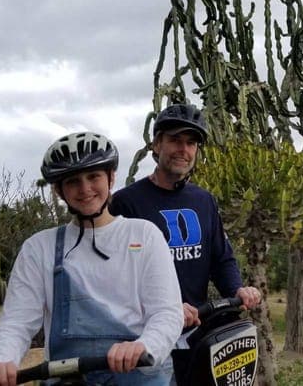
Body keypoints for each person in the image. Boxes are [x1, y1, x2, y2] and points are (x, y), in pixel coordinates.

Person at [0, 132, 182, 386]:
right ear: (59, 190)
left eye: (94, 176)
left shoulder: (144, 234)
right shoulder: (39, 248)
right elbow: (16, 322)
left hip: (139, 376)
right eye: (73, 181)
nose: (85, 189)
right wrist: (0, 361)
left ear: (110, 178)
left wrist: (144, 345)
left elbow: (167, 312)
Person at [111, 103, 262, 385]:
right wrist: (166, 307)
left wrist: (237, 288)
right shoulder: (126, 202)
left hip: (197, 333)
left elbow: (221, 257)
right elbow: (118, 277)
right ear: (157, 144)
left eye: (191, 142)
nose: (184, 149)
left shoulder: (203, 200)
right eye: (175, 140)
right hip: (146, 340)